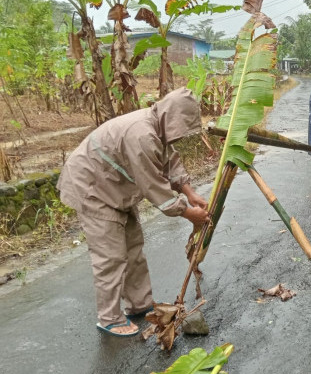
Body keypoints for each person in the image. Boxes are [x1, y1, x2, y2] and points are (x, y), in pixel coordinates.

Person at [56, 88, 211, 337]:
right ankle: (109, 318)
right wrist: (187, 212)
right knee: (111, 256)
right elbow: (154, 186)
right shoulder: (141, 135)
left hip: (115, 188)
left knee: (133, 249)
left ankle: (139, 304)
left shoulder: (157, 127)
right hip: (93, 188)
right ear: (171, 118)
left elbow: (169, 161)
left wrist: (190, 192)